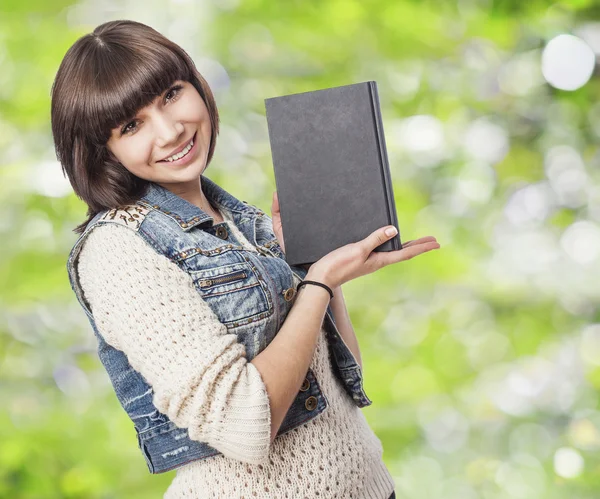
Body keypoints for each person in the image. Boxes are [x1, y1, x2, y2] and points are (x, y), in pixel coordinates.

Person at [51, 19, 439, 499]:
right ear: (102, 152)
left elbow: (337, 380)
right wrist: (316, 284)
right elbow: (247, 423)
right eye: (132, 125)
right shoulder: (117, 251)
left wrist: (322, 269)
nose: (171, 131)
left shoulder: (240, 221)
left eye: (171, 94)